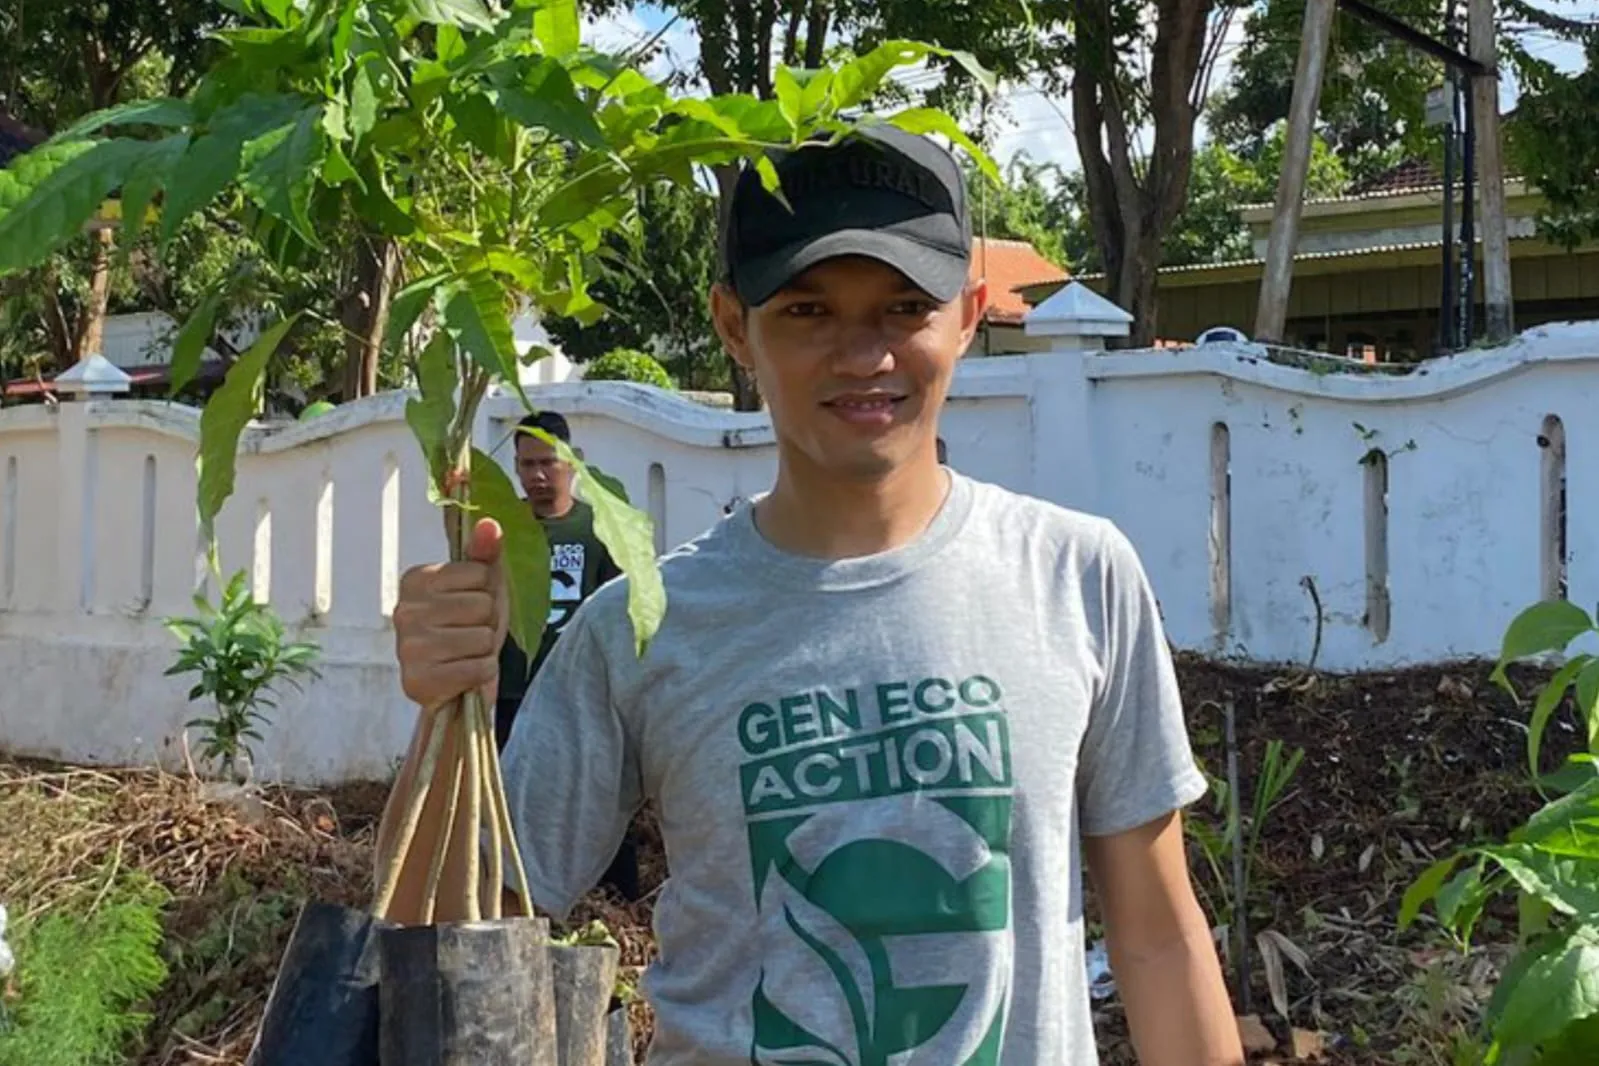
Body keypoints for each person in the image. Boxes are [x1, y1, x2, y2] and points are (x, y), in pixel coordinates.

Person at [391, 126, 1243, 1065]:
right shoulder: (644, 628)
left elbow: (1158, 935)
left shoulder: (1077, 575)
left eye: (903, 306)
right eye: (806, 310)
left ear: (964, 316)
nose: (863, 354)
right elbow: (461, 932)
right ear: (732, 325)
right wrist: (444, 717)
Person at [498, 410, 639, 900]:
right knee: (507, 798)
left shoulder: (598, 527)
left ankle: (618, 898)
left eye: (546, 463)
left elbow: (617, 608)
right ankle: (514, 895)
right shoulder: (502, 529)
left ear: (571, 462)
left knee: (596, 793)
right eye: (525, 465)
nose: (537, 475)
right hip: (512, 689)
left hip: (580, 693)